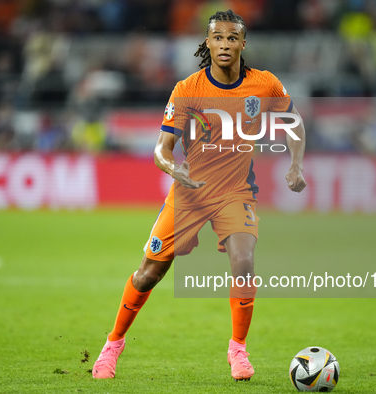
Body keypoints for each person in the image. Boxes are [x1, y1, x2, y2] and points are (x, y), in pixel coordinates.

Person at [92, 9, 307, 382]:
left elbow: (294, 124)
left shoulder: (265, 84)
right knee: (149, 273)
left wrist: (296, 164)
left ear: (243, 43)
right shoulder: (187, 89)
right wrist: (171, 167)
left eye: (232, 38)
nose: (225, 44)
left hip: (236, 192)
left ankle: (238, 349)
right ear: (207, 43)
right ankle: (112, 344)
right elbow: (162, 148)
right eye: (218, 38)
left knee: (244, 262)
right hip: (190, 195)